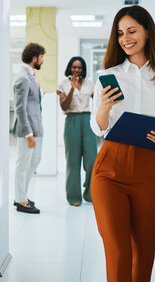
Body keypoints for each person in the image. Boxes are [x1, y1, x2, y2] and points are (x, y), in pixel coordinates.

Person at [90, 5, 155, 282]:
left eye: (131, 31)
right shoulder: (108, 76)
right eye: (120, 33)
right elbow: (98, 127)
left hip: (148, 168)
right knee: (118, 252)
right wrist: (105, 107)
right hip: (109, 169)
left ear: (147, 33)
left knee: (144, 252)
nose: (125, 38)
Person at [57, 57, 97, 206]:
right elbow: (64, 106)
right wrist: (72, 88)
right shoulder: (63, 84)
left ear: (83, 69)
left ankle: (90, 193)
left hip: (88, 121)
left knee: (92, 160)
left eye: (79, 68)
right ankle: (74, 197)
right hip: (72, 121)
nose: (77, 70)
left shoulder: (89, 84)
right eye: (74, 67)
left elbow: (98, 101)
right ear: (70, 68)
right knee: (73, 161)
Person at [12, 42, 45, 214]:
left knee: (34, 161)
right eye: (41, 57)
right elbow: (20, 108)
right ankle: (20, 200)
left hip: (36, 127)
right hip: (28, 130)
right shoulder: (23, 77)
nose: (43, 60)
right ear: (34, 58)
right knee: (23, 164)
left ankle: (21, 195)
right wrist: (28, 134)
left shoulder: (30, 74)